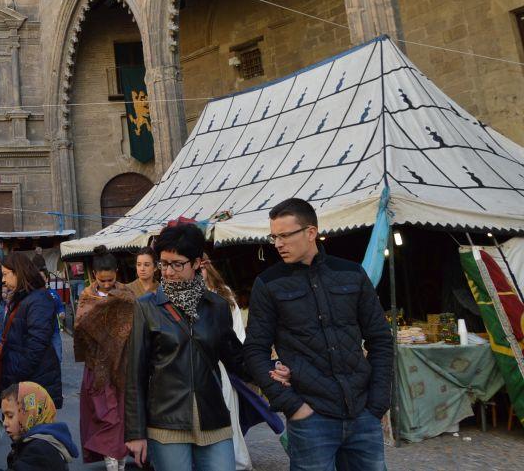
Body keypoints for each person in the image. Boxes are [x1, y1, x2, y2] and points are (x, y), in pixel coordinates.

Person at [244, 198, 392, 471]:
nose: (277, 244)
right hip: (311, 418)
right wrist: (293, 407)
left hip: (363, 413)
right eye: (274, 236)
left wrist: (377, 403)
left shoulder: (351, 274)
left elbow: (381, 338)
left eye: (285, 235)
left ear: (310, 232)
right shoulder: (269, 284)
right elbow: (254, 351)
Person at [125, 223, 248, 471]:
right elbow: (134, 374)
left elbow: (237, 359)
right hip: (166, 422)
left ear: (197, 263)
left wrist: (273, 368)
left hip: (213, 417)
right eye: (163, 263)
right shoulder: (145, 307)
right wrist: (135, 432)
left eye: (177, 264)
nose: (168, 272)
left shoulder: (217, 306)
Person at [75, 247, 132, 471]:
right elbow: (80, 326)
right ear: (94, 274)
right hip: (97, 366)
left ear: (117, 272)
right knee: (104, 415)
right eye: (102, 280)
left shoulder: (127, 295)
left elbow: (132, 325)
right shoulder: (86, 296)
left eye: (111, 279)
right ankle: (111, 461)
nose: (107, 284)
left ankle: (120, 459)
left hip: (121, 364)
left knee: (120, 414)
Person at [0, 252, 63, 407]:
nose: (3, 280)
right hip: (24, 378)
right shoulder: (24, 298)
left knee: (31, 429)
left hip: (33, 381)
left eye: (5, 274)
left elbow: (36, 344)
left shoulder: (38, 300)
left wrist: (17, 375)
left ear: (18, 272)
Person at [202, 259, 252, 470]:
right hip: (194, 369)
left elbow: (237, 333)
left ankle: (237, 463)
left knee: (228, 418)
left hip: (221, 367)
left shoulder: (224, 295)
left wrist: (236, 361)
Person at [0, 382, 78, 471]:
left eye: (10, 416)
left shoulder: (40, 450)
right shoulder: (39, 442)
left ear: (30, 413)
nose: (4, 423)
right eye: (4, 416)